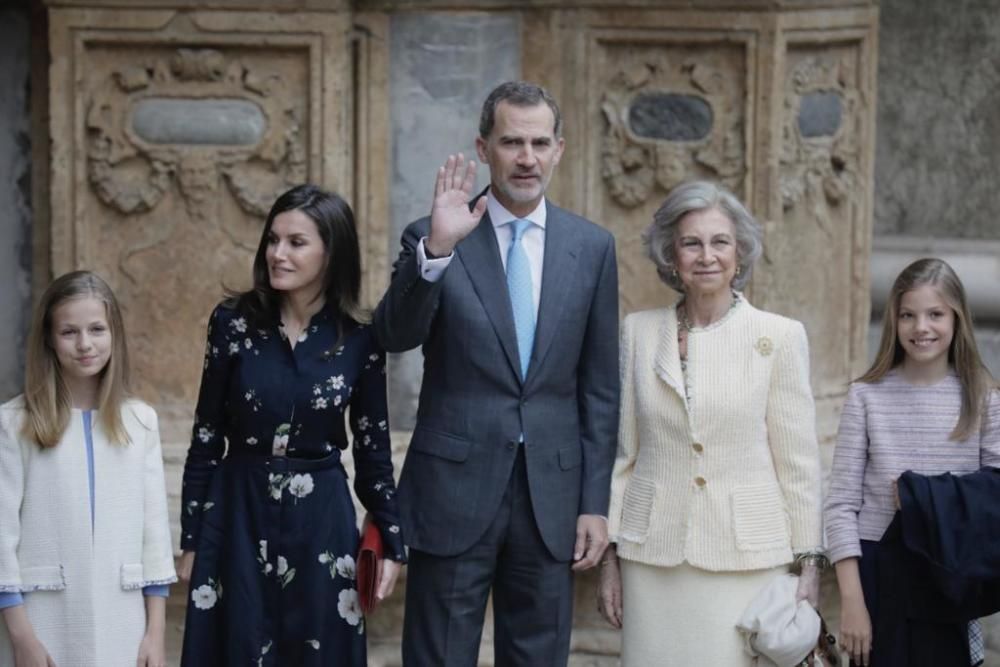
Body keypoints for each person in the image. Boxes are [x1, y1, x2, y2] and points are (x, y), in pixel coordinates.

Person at [375, 80, 620, 666]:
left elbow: (600, 390)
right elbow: (393, 336)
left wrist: (594, 503)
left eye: (540, 143)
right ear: (484, 149)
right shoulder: (433, 234)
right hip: (453, 492)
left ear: (560, 149)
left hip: (551, 500)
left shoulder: (592, 248)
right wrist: (436, 249)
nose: (527, 158)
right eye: (512, 142)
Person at [597, 180, 824, 665]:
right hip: (651, 557)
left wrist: (809, 562)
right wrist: (611, 558)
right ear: (671, 256)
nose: (707, 256)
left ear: (739, 253)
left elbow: (798, 462)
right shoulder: (638, 332)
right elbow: (625, 455)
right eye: (691, 243)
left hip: (745, 559)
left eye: (720, 242)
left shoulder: (778, 337)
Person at [178, 184, 405, 666]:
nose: (278, 254)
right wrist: (192, 537)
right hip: (236, 511)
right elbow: (204, 438)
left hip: (321, 520)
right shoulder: (232, 323)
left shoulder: (360, 337)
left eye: (296, 242)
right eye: (273, 240)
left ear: (332, 252)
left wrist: (392, 542)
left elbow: (372, 450)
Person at [824, 257, 1000, 667]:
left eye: (935, 314)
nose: (921, 327)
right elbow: (841, 506)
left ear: (957, 319)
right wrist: (852, 602)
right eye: (908, 315)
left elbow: (996, 494)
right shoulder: (866, 397)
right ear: (894, 321)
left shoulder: (984, 398)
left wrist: (920, 497)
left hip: (947, 571)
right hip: (878, 574)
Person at [0, 270, 176, 667]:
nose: (85, 344)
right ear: (48, 337)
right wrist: (21, 637)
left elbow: (154, 536)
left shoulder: (140, 422)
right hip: (42, 620)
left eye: (97, 329)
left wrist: (155, 633)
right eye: (69, 332)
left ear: (115, 334)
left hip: (124, 619)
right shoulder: (14, 424)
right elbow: (1, 535)